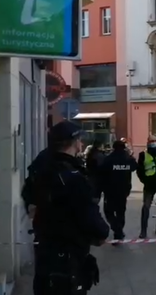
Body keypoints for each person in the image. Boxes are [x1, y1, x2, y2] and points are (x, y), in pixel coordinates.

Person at [22, 120, 109, 294]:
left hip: (45, 250)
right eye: (80, 140)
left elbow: (28, 197)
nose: (82, 144)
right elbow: (88, 215)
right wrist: (102, 233)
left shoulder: (43, 165)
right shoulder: (73, 177)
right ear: (75, 142)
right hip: (68, 258)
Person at [100, 140, 138, 242]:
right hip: (124, 190)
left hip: (110, 190)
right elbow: (134, 167)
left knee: (109, 212)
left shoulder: (108, 159)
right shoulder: (128, 159)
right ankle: (119, 230)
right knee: (121, 212)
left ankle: (117, 230)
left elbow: (102, 173)